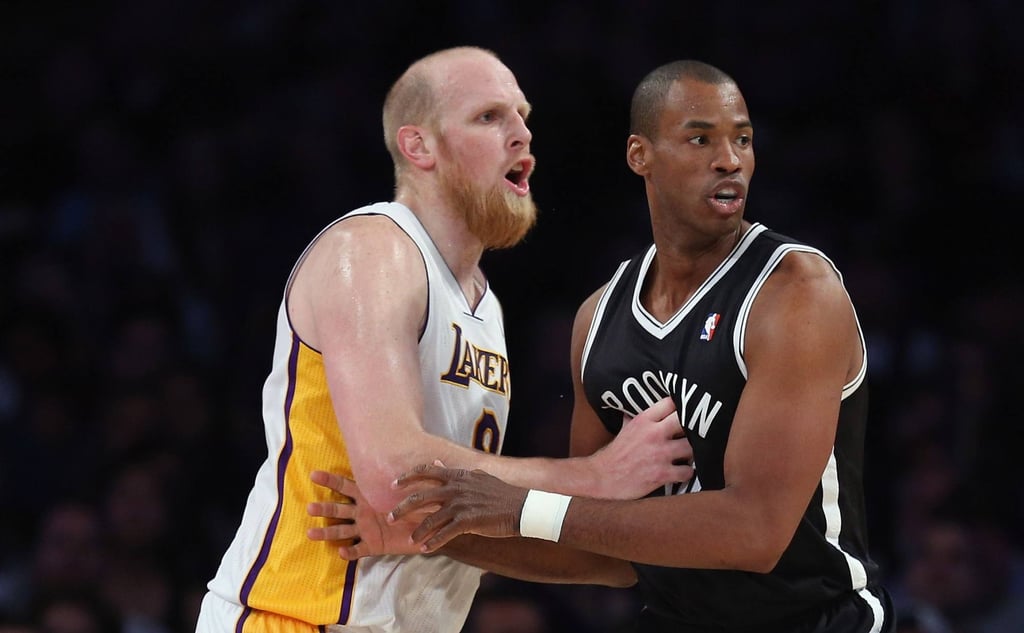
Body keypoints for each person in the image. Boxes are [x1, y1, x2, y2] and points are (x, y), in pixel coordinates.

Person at [313, 60, 897, 633]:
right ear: (639, 155)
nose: (730, 160)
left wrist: (519, 507)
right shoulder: (600, 318)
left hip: (817, 620)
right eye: (700, 139)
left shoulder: (795, 294)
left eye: (742, 139)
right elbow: (601, 553)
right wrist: (432, 530)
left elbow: (756, 531)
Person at [194, 46, 691, 633]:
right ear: (418, 146)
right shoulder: (373, 250)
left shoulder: (484, 304)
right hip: (296, 617)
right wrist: (594, 478)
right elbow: (394, 473)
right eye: (489, 117)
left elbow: (450, 509)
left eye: (523, 115)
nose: (521, 135)